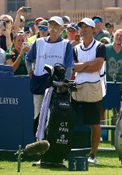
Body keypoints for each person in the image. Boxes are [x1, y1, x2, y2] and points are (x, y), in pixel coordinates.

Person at [25, 16, 74, 132]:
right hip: (39, 83)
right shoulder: (39, 42)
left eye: (56, 25)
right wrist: (30, 72)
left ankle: (51, 143)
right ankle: (38, 142)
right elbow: (28, 59)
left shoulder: (66, 45)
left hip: (57, 85)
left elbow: (69, 66)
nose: (53, 28)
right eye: (51, 25)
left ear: (62, 29)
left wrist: (64, 83)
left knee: (54, 115)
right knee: (38, 114)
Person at [72, 18, 106, 165]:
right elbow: (74, 67)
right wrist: (88, 64)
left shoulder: (100, 46)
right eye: (81, 27)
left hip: (94, 88)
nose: (83, 30)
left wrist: (83, 66)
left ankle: (93, 154)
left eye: (86, 27)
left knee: (94, 122)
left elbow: (97, 66)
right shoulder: (75, 48)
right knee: (70, 119)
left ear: (93, 29)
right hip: (78, 87)